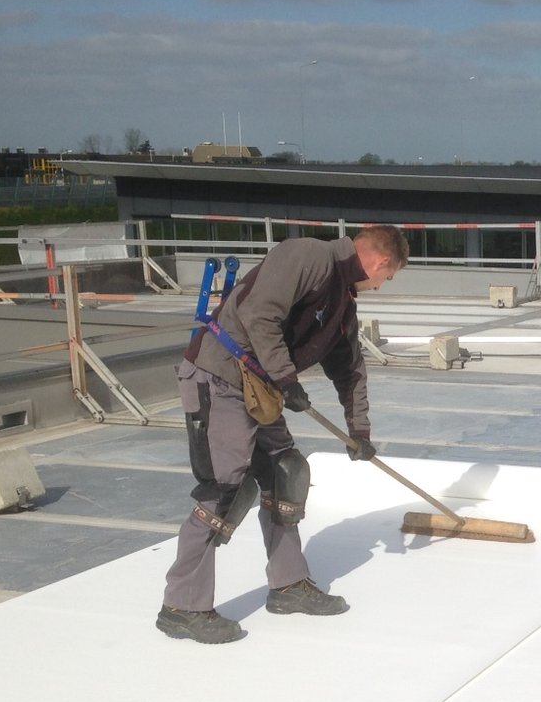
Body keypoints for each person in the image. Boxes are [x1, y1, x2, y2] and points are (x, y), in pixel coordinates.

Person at [157, 225, 410, 644]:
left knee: (286, 473)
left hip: (260, 388)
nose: (382, 285)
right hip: (220, 377)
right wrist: (286, 378)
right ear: (381, 261)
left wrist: (359, 428)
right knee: (224, 490)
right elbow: (259, 314)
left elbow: (350, 370)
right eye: (389, 276)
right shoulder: (307, 256)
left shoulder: (343, 302)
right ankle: (181, 606)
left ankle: (288, 585)